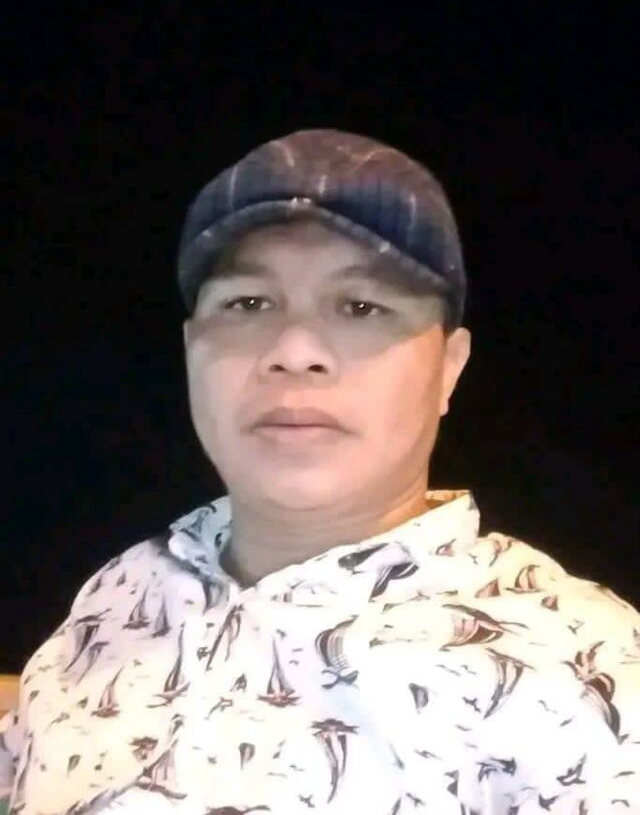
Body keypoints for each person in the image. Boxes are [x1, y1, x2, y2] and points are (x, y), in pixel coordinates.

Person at [1, 129, 638, 814]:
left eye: (362, 307)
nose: (295, 349)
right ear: (191, 350)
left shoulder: (581, 668)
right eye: (248, 303)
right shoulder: (122, 592)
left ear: (449, 368)